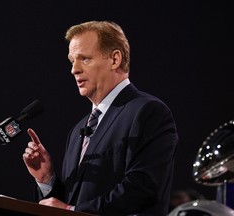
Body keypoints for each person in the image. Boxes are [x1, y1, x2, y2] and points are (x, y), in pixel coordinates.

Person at [23, 20, 178, 216]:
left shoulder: (147, 111)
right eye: (72, 61)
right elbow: (71, 202)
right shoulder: (77, 130)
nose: (74, 69)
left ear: (115, 59)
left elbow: (143, 188)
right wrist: (47, 180)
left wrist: (73, 210)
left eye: (84, 59)